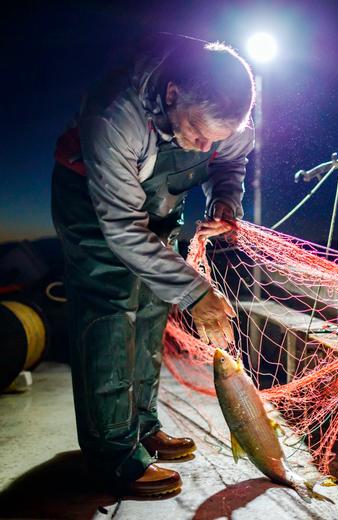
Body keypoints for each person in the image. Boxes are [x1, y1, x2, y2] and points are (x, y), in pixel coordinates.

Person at [51, 33, 255, 496]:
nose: (204, 147)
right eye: (198, 133)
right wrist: (197, 290)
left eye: (214, 140)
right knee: (110, 310)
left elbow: (232, 160)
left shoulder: (231, 119)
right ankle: (113, 456)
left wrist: (226, 199)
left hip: (160, 201)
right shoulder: (114, 114)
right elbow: (122, 227)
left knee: (149, 310)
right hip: (94, 202)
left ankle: (141, 428)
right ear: (171, 94)